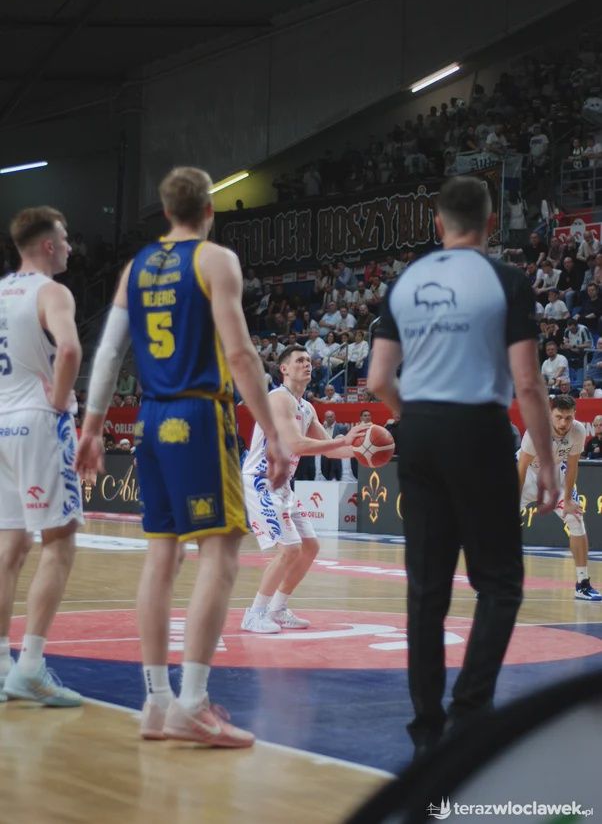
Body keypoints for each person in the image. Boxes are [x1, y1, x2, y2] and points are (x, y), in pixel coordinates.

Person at [76, 167, 289, 748]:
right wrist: (272, 432)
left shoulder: (135, 268)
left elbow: (108, 353)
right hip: (198, 415)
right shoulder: (216, 261)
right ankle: (192, 703)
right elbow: (241, 355)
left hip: (150, 418)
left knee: (161, 557)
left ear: (166, 212)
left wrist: (92, 427)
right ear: (209, 210)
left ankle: (156, 702)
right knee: (220, 555)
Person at [367, 175, 557, 757]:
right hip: (479, 430)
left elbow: (378, 379)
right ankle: (470, 713)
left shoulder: (405, 281)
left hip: (420, 430)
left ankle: (427, 731)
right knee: (498, 582)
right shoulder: (506, 281)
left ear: (437, 224)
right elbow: (527, 382)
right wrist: (547, 461)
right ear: (491, 223)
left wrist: (417, 419)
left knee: (426, 588)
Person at [0, 206, 84, 706]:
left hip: (0, 422)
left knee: (9, 548)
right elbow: (69, 350)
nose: (71, 246)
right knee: (60, 540)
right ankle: (30, 667)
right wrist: (60, 401)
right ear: (48, 245)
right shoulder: (51, 292)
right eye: (66, 238)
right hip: (37, 420)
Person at [241, 345, 367, 633]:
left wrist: (363, 452)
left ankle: (277, 609)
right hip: (261, 480)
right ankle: (255, 613)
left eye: (309, 360)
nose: (307, 364)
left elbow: (331, 450)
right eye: (300, 360)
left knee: (310, 547)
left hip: (283, 484)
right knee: (289, 549)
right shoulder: (278, 398)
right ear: (284, 369)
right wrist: (343, 440)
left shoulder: (306, 407)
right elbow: (297, 445)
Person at [518, 395, 601, 600]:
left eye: (568, 417)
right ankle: (491, 582)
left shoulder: (578, 431)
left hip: (554, 478)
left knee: (576, 519)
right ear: (549, 414)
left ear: (574, 415)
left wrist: (569, 499)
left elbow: (572, 467)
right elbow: (522, 467)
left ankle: (582, 584)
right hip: (527, 476)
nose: (563, 423)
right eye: (558, 417)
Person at [320, 409, 349, 481]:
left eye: (331, 416)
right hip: (325, 457)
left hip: (337, 458)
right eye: (327, 417)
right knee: (325, 478)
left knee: (338, 478)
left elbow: (346, 442)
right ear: (325, 418)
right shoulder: (322, 428)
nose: (329, 418)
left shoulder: (342, 428)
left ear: (334, 417)